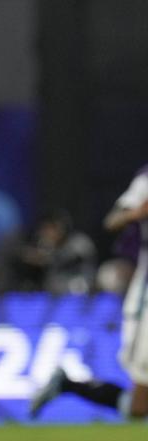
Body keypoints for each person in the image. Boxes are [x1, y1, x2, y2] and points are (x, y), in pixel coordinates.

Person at [30, 165, 148, 421]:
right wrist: (136, 213)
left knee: (139, 408)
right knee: (140, 404)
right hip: (146, 301)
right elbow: (112, 220)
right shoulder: (146, 179)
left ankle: (67, 385)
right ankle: (69, 386)